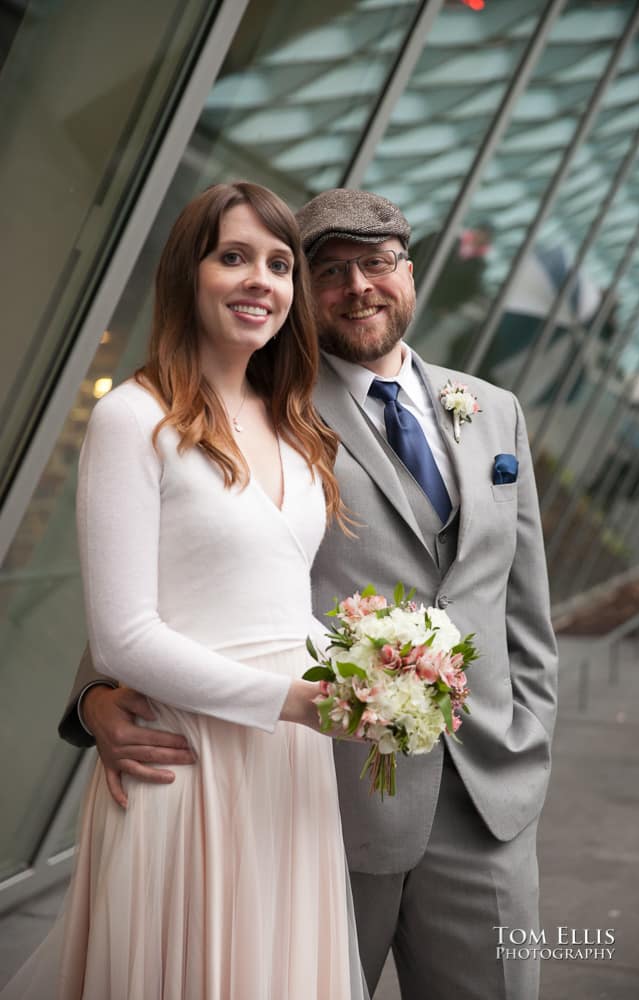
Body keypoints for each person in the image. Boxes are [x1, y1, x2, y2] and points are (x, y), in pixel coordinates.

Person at [59, 189, 558, 1000]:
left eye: (378, 263)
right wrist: (96, 696)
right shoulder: (278, 402)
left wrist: (529, 742)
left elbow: (526, 608)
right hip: (324, 792)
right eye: (329, 270)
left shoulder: (493, 413)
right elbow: (190, 567)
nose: (358, 286)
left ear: (409, 271)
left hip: (487, 799)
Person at [5, 183, 368, 1000]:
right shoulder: (134, 418)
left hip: (289, 769)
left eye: (277, 264)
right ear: (187, 275)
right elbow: (126, 636)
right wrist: (295, 701)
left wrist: (374, 674)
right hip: (186, 761)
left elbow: (275, 601)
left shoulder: (298, 425)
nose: (259, 281)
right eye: (232, 257)